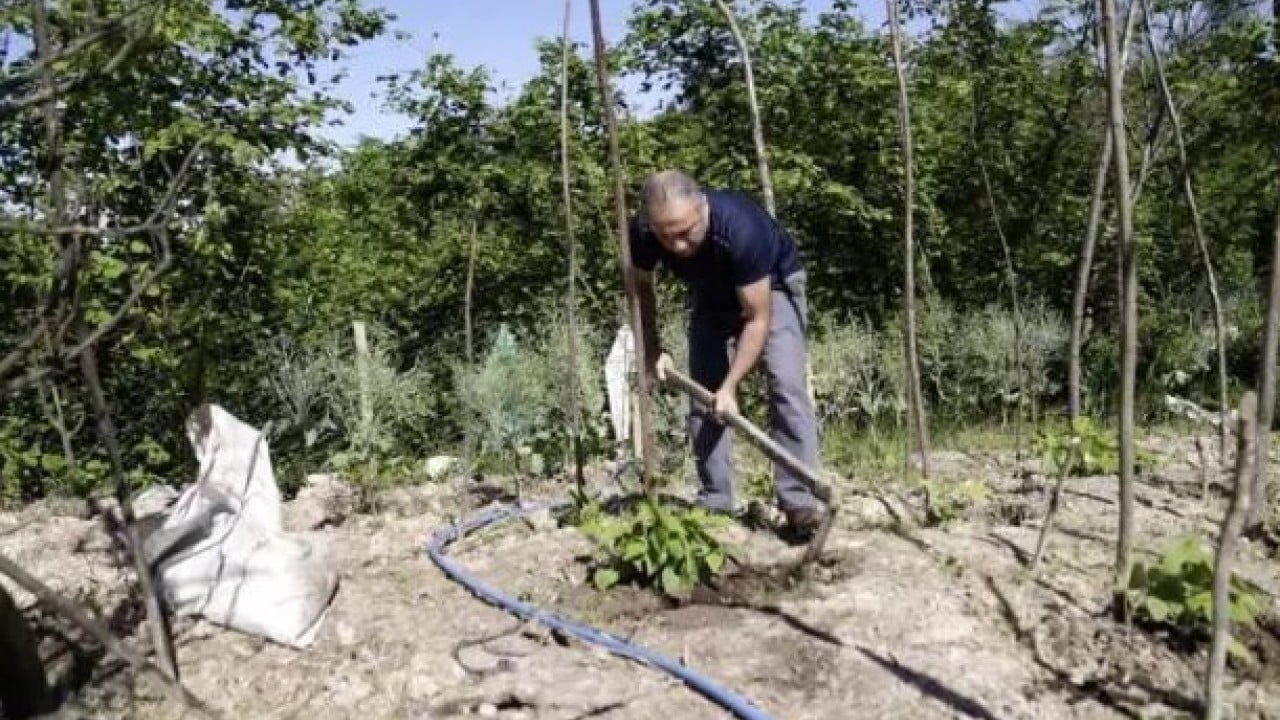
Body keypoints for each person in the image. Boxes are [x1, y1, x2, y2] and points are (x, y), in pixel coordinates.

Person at [629, 169, 827, 538]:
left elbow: (757, 318)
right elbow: (641, 291)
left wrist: (731, 387)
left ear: (702, 207)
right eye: (666, 236)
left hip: (773, 290)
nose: (678, 247)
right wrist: (653, 349)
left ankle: (799, 503)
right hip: (711, 295)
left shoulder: (741, 229)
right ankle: (716, 501)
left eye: (686, 233)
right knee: (702, 392)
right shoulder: (643, 232)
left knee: (785, 383)